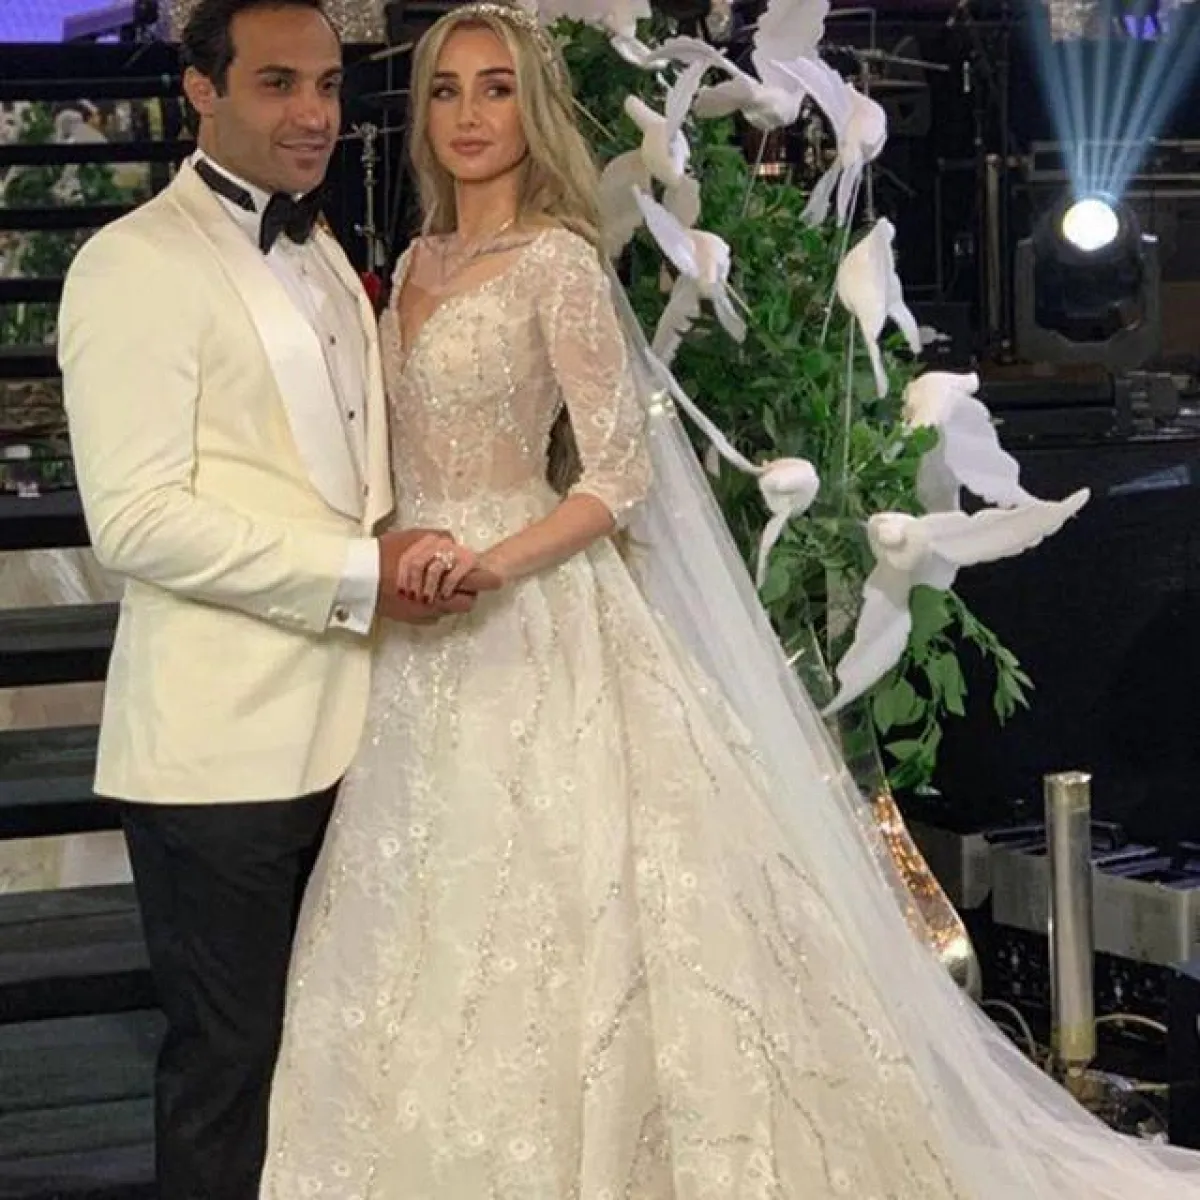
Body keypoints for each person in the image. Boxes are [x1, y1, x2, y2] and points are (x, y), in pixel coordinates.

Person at [261, 3, 1200, 1197]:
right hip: (419, 623)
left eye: (495, 89)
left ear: (532, 108)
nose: (469, 116)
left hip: (531, 606)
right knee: (430, 912)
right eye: (446, 91)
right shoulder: (413, 270)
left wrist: (494, 562)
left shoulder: (557, 262)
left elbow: (617, 473)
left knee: (573, 901)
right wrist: (402, 552)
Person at [56, 1, 497, 1195]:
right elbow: (137, 523)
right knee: (231, 1074)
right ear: (200, 90)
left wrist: (403, 544)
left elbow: (343, 474)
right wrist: (363, 575)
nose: (313, 114)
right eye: (277, 84)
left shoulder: (322, 249)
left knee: (349, 1068)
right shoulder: (133, 264)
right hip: (221, 755)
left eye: (329, 86)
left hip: (365, 731)